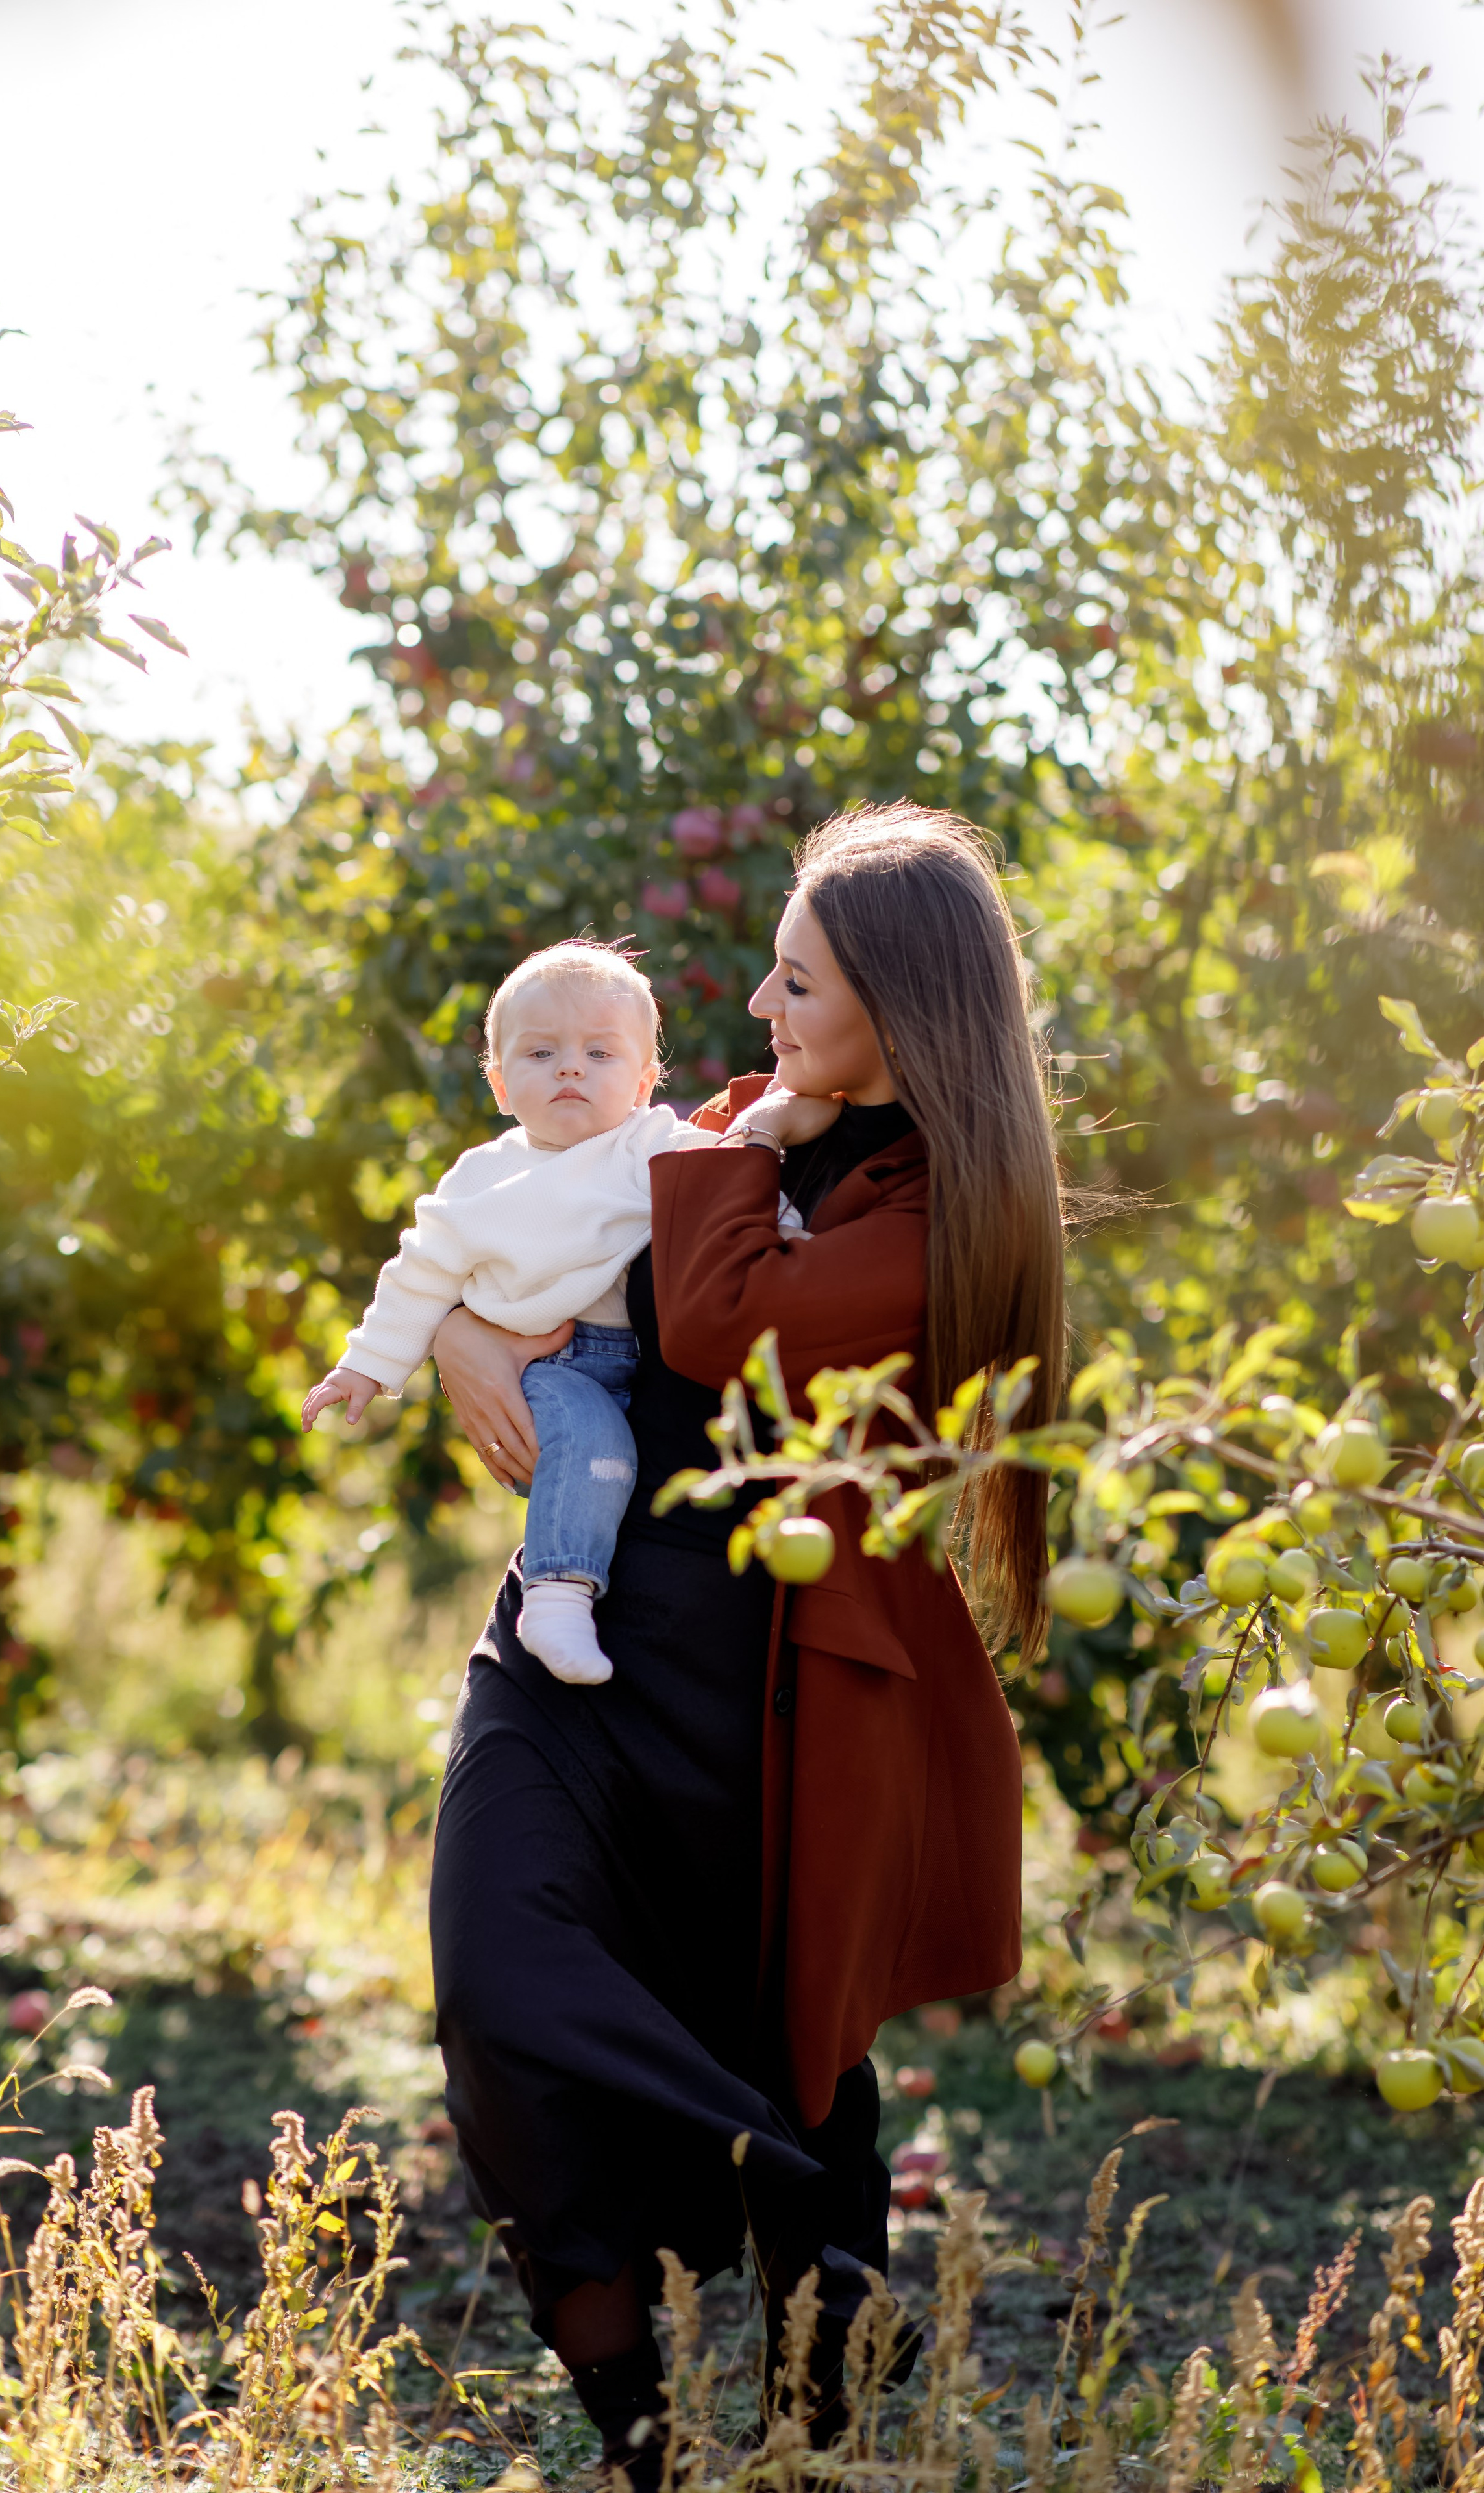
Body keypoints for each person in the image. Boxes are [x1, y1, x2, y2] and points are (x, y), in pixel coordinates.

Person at [428, 804, 1066, 2484]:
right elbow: (560, 1256)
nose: (764, 1018)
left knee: (770, 2072)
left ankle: (737, 2412)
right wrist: (460, 1344)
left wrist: (744, 1139)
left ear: (902, 1012)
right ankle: (759, 2245)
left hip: (750, 1728)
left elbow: (716, 1322)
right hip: (569, 1656)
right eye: (773, 983)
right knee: (497, 1993)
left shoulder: (934, 1213)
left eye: (799, 987)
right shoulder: (739, 1128)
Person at [301, 941, 710, 1683]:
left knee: (622, 1462)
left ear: (646, 1081)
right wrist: (365, 1366)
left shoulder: (651, 1144)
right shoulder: (483, 1178)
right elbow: (418, 1275)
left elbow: (730, 1188)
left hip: (637, 1368)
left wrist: (785, 1219)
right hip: (546, 1367)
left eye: (599, 1053)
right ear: (498, 1082)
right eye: (541, 1052)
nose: (570, 1068)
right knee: (594, 1448)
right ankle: (555, 1597)